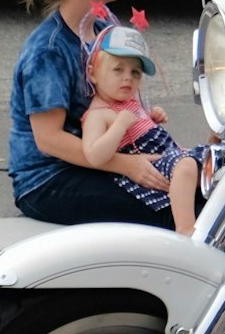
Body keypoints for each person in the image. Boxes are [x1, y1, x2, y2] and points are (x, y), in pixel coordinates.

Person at [8, 0, 177, 227]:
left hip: (97, 161)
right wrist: (127, 165)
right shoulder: (48, 51)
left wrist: (141, 119)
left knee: (196, 190)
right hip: (49, 180)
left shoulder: (100, 31)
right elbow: (49, 141)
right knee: (169, 210)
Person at [80, 25, 205, 236]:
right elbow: (94, 155)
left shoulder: (128, 103)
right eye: (118, 69)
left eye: (135, 72)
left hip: (168, 155)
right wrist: (119, 126)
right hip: (151, 165)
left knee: (211, 158)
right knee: (185, 166)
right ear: (93, 73)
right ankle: (184, 227)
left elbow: (143, 129)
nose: (128, 77)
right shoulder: (98, 114)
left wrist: (152, 117)